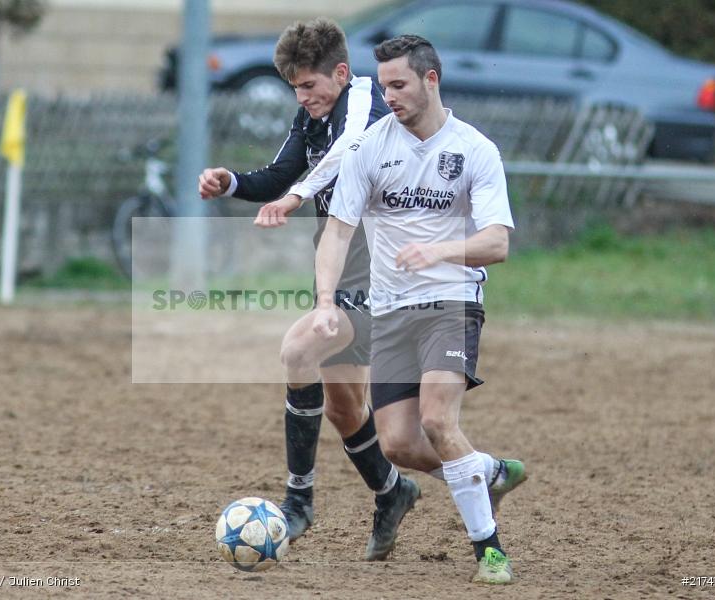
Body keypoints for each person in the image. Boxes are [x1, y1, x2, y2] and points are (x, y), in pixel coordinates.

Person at [198, 18, 422, 559]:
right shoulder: (312, 115)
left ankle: (298, 500)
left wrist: (297, 197)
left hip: (386, 269)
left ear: (340, 73)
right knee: (345, 408)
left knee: (298, 350)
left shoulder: (365, 103)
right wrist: (230, 182)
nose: (301, 97)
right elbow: (279, 174)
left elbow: (348, 152)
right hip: (342, 267)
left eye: (308, 85)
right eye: (294, 88)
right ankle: (394, 491)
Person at [311, 35, 525, 583]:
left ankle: (490, 551)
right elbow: (338, 233)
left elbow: (497, 243)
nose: (389, 97)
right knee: (400, 445)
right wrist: (326, 302)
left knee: (436, 419)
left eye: (399, 84)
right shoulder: (368, 149)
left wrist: (440, 250)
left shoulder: (475, 149)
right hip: (390, 312)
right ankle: (486, 471)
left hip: (452, 303)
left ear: (432, 79)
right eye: (384, 86)